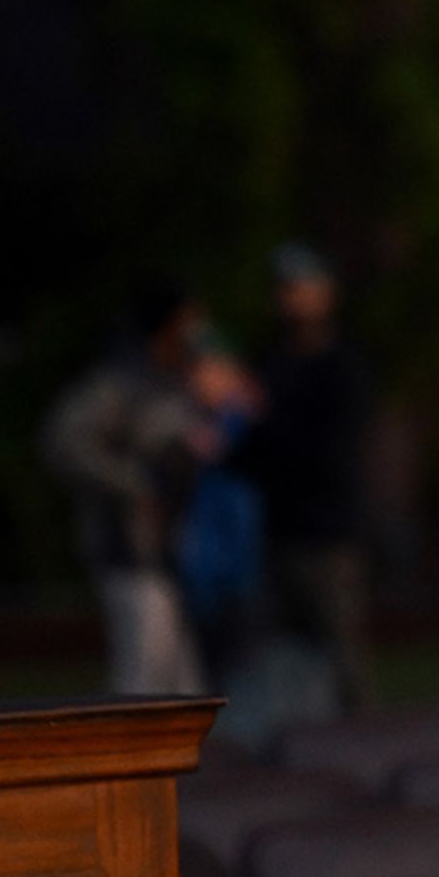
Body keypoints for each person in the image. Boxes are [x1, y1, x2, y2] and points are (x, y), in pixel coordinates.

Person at [40, 276, 221, 696]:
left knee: (185, 686)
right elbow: (63, 440)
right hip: (130, 550)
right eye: (190, 319)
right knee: (142, 680)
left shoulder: (178, 379)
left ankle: (191, 763)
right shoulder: (120, 382)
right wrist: (135, 482)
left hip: (173, 553)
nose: (199, 330)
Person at [236, 240, 377, 715]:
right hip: (279, 533)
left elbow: (327, 453)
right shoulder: (271, 363)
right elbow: (248, 449)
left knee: (341, 658)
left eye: (301, 287)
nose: (291, 298)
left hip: (328, 538)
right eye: (285, 288)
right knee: (279, 659)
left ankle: (362, 750)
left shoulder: (340, 368)